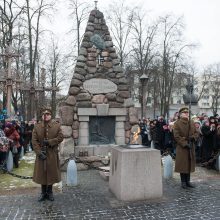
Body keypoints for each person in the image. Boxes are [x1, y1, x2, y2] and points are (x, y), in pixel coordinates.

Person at [32, 107, 64, 202]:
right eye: (44, 115)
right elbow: (34, 141)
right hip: (41, 153)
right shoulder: (37, 126)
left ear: (51, 115)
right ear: (42, 116)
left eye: (48, 114)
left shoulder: (56, 126)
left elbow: (61, 137)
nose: (45, 116)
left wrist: (50, 142)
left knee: (51, 173)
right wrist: (39, 152)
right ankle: (43, 193)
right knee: (42, 173)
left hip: (52, 154)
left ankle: (49, 192)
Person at [173, 107, 199, 189]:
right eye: (184, 112)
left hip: (191, 146)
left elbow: (196, 132)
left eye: (187, 112)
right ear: (180, 114)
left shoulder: (191, 122)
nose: (186, 114)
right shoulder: (177, 123)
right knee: (182, 165)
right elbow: (176, 136)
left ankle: (188, 181)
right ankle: (183, 182)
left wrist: (193, 138)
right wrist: (185, 143)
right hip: (182, 147)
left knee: (189, 165)